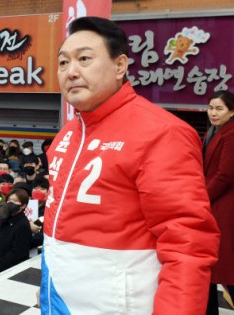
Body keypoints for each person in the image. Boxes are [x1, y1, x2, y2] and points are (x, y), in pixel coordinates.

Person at [41, 17, 220, 315]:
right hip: (60, 301)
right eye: (62, 63)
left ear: (120, 66)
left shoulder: (162, 133)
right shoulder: (66, 135)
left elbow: (187, 243)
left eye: (84, 59)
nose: (71, 72)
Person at [203, 90, 234, 315]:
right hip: (215, 205)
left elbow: (225, 175)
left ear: (231, 111)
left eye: (219, 109)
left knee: (226, 268)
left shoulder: (231, 134)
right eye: (211, 108)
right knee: (214, 270)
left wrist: (201, 198)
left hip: (225, 207)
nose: (213, 113)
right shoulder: (213, 131)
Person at [0, 188, 31, 275]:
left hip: (9, 271)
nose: (10, 203)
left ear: (23, 205)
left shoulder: (22, 225)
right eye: (9, 200)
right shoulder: (6, 219)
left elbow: (17, 253)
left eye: (15, 201)